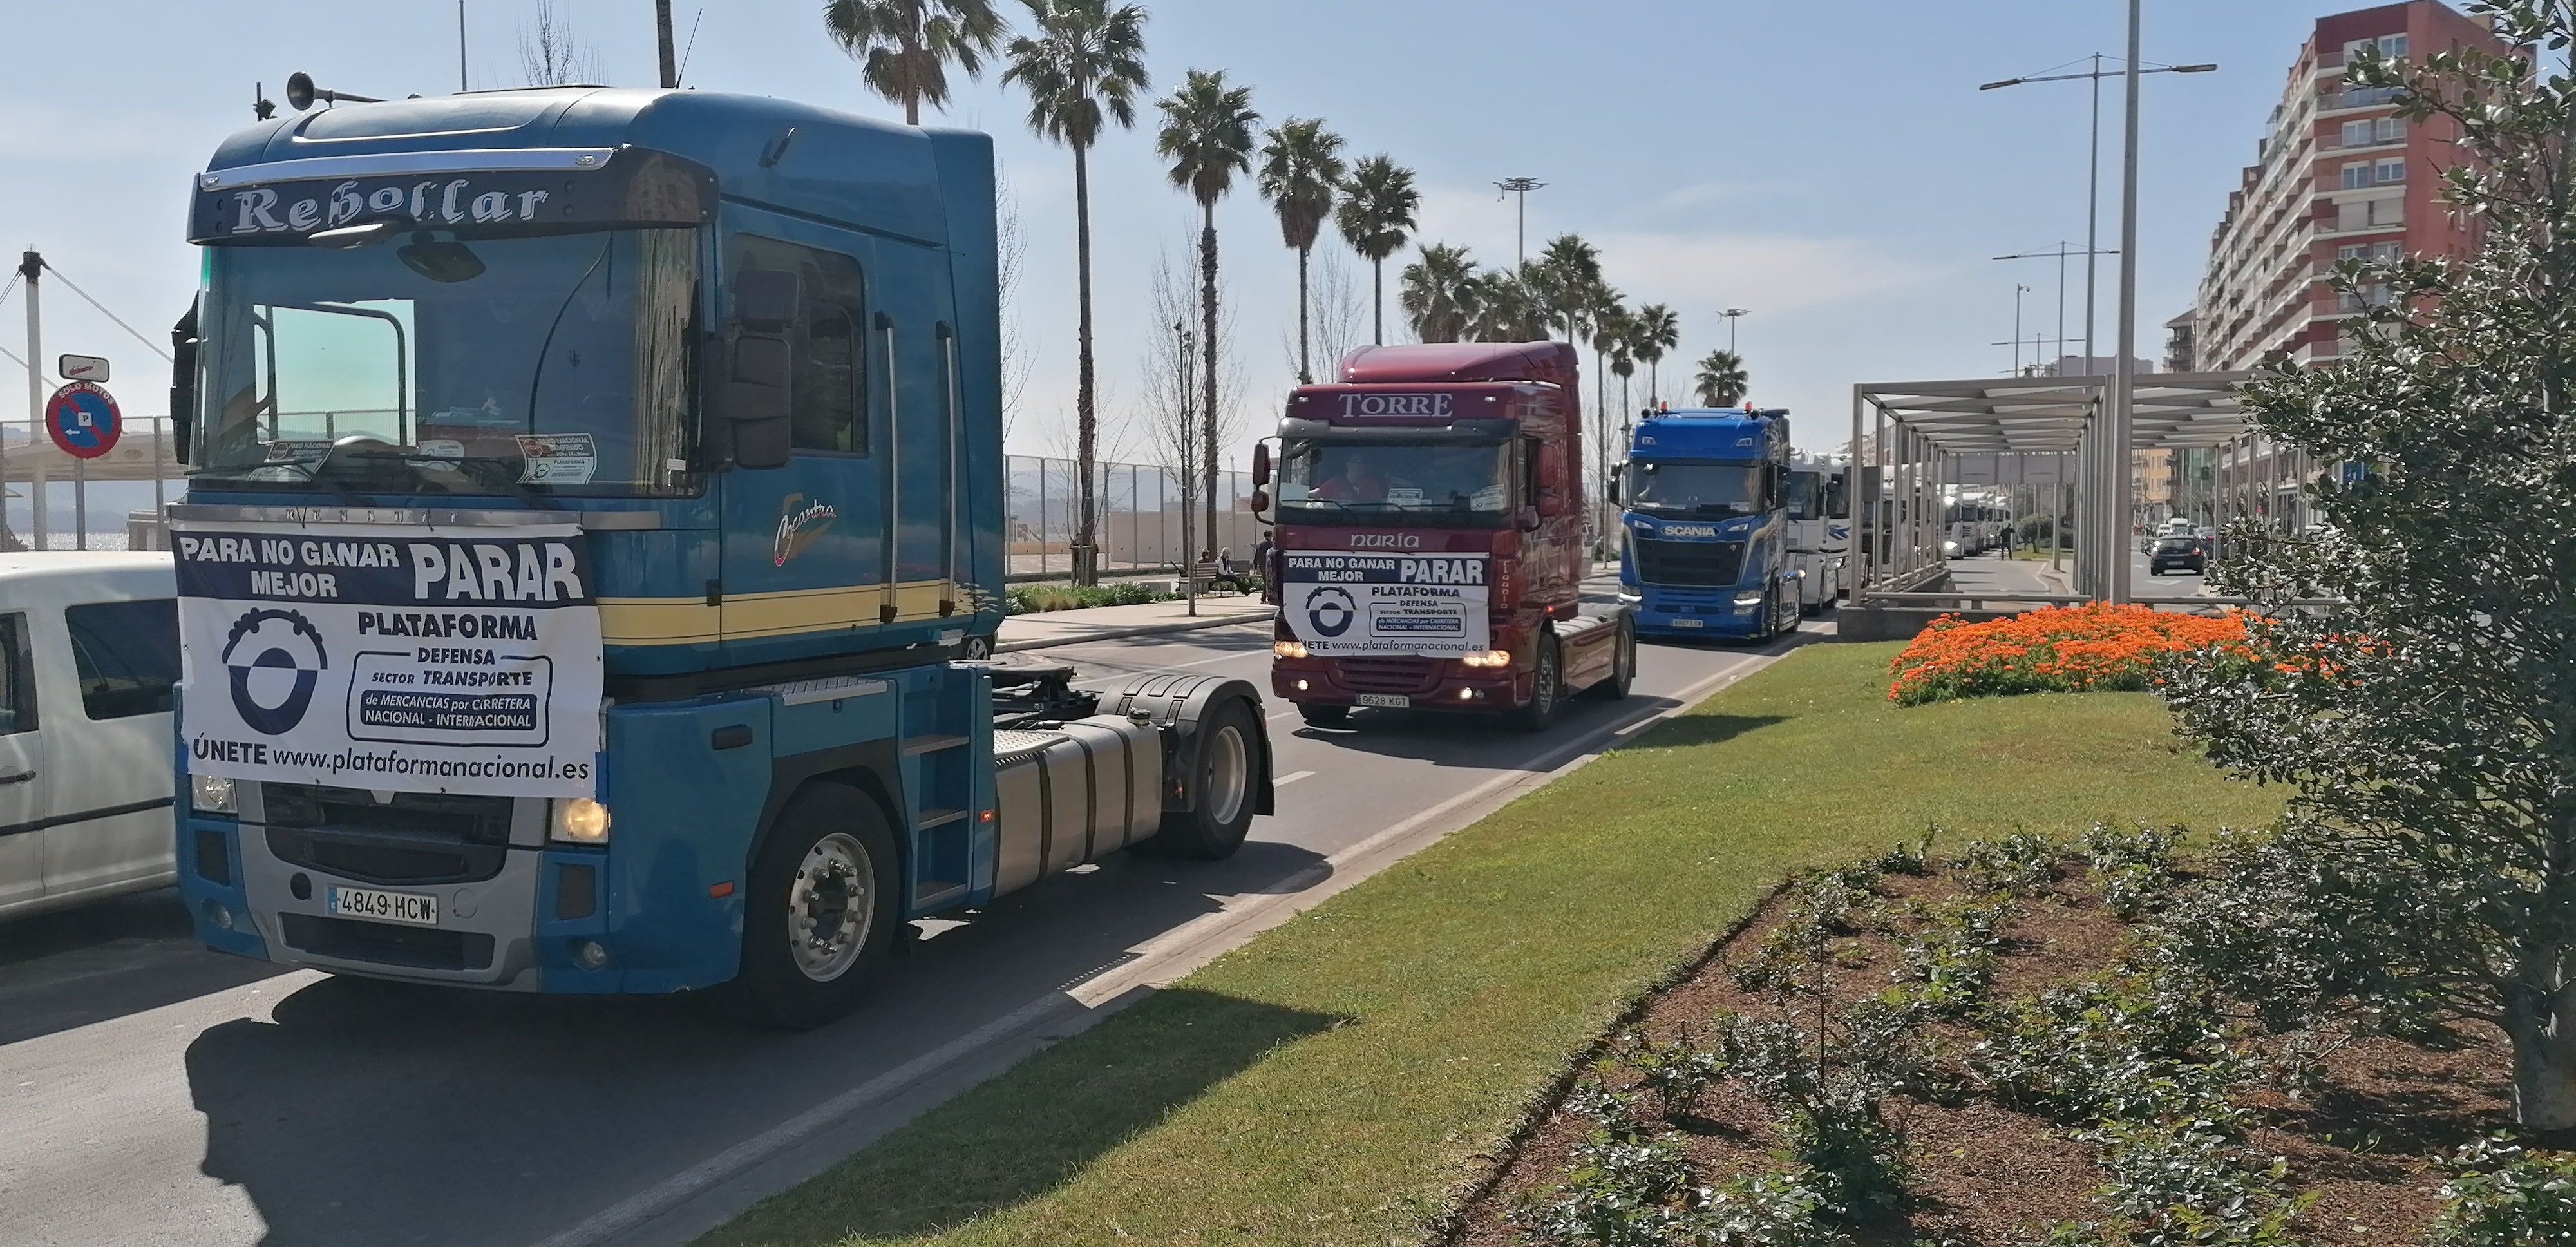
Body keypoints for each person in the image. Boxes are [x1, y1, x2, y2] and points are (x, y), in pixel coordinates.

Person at [1311, 451, 1388, 502]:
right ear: (1348, 464)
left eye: (1364, 462)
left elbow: (1377, 504)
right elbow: (1314, 494)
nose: (1363, 465)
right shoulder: (1335, 482)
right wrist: (1298, 495)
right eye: (1358, 462)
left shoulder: (1372, 483)